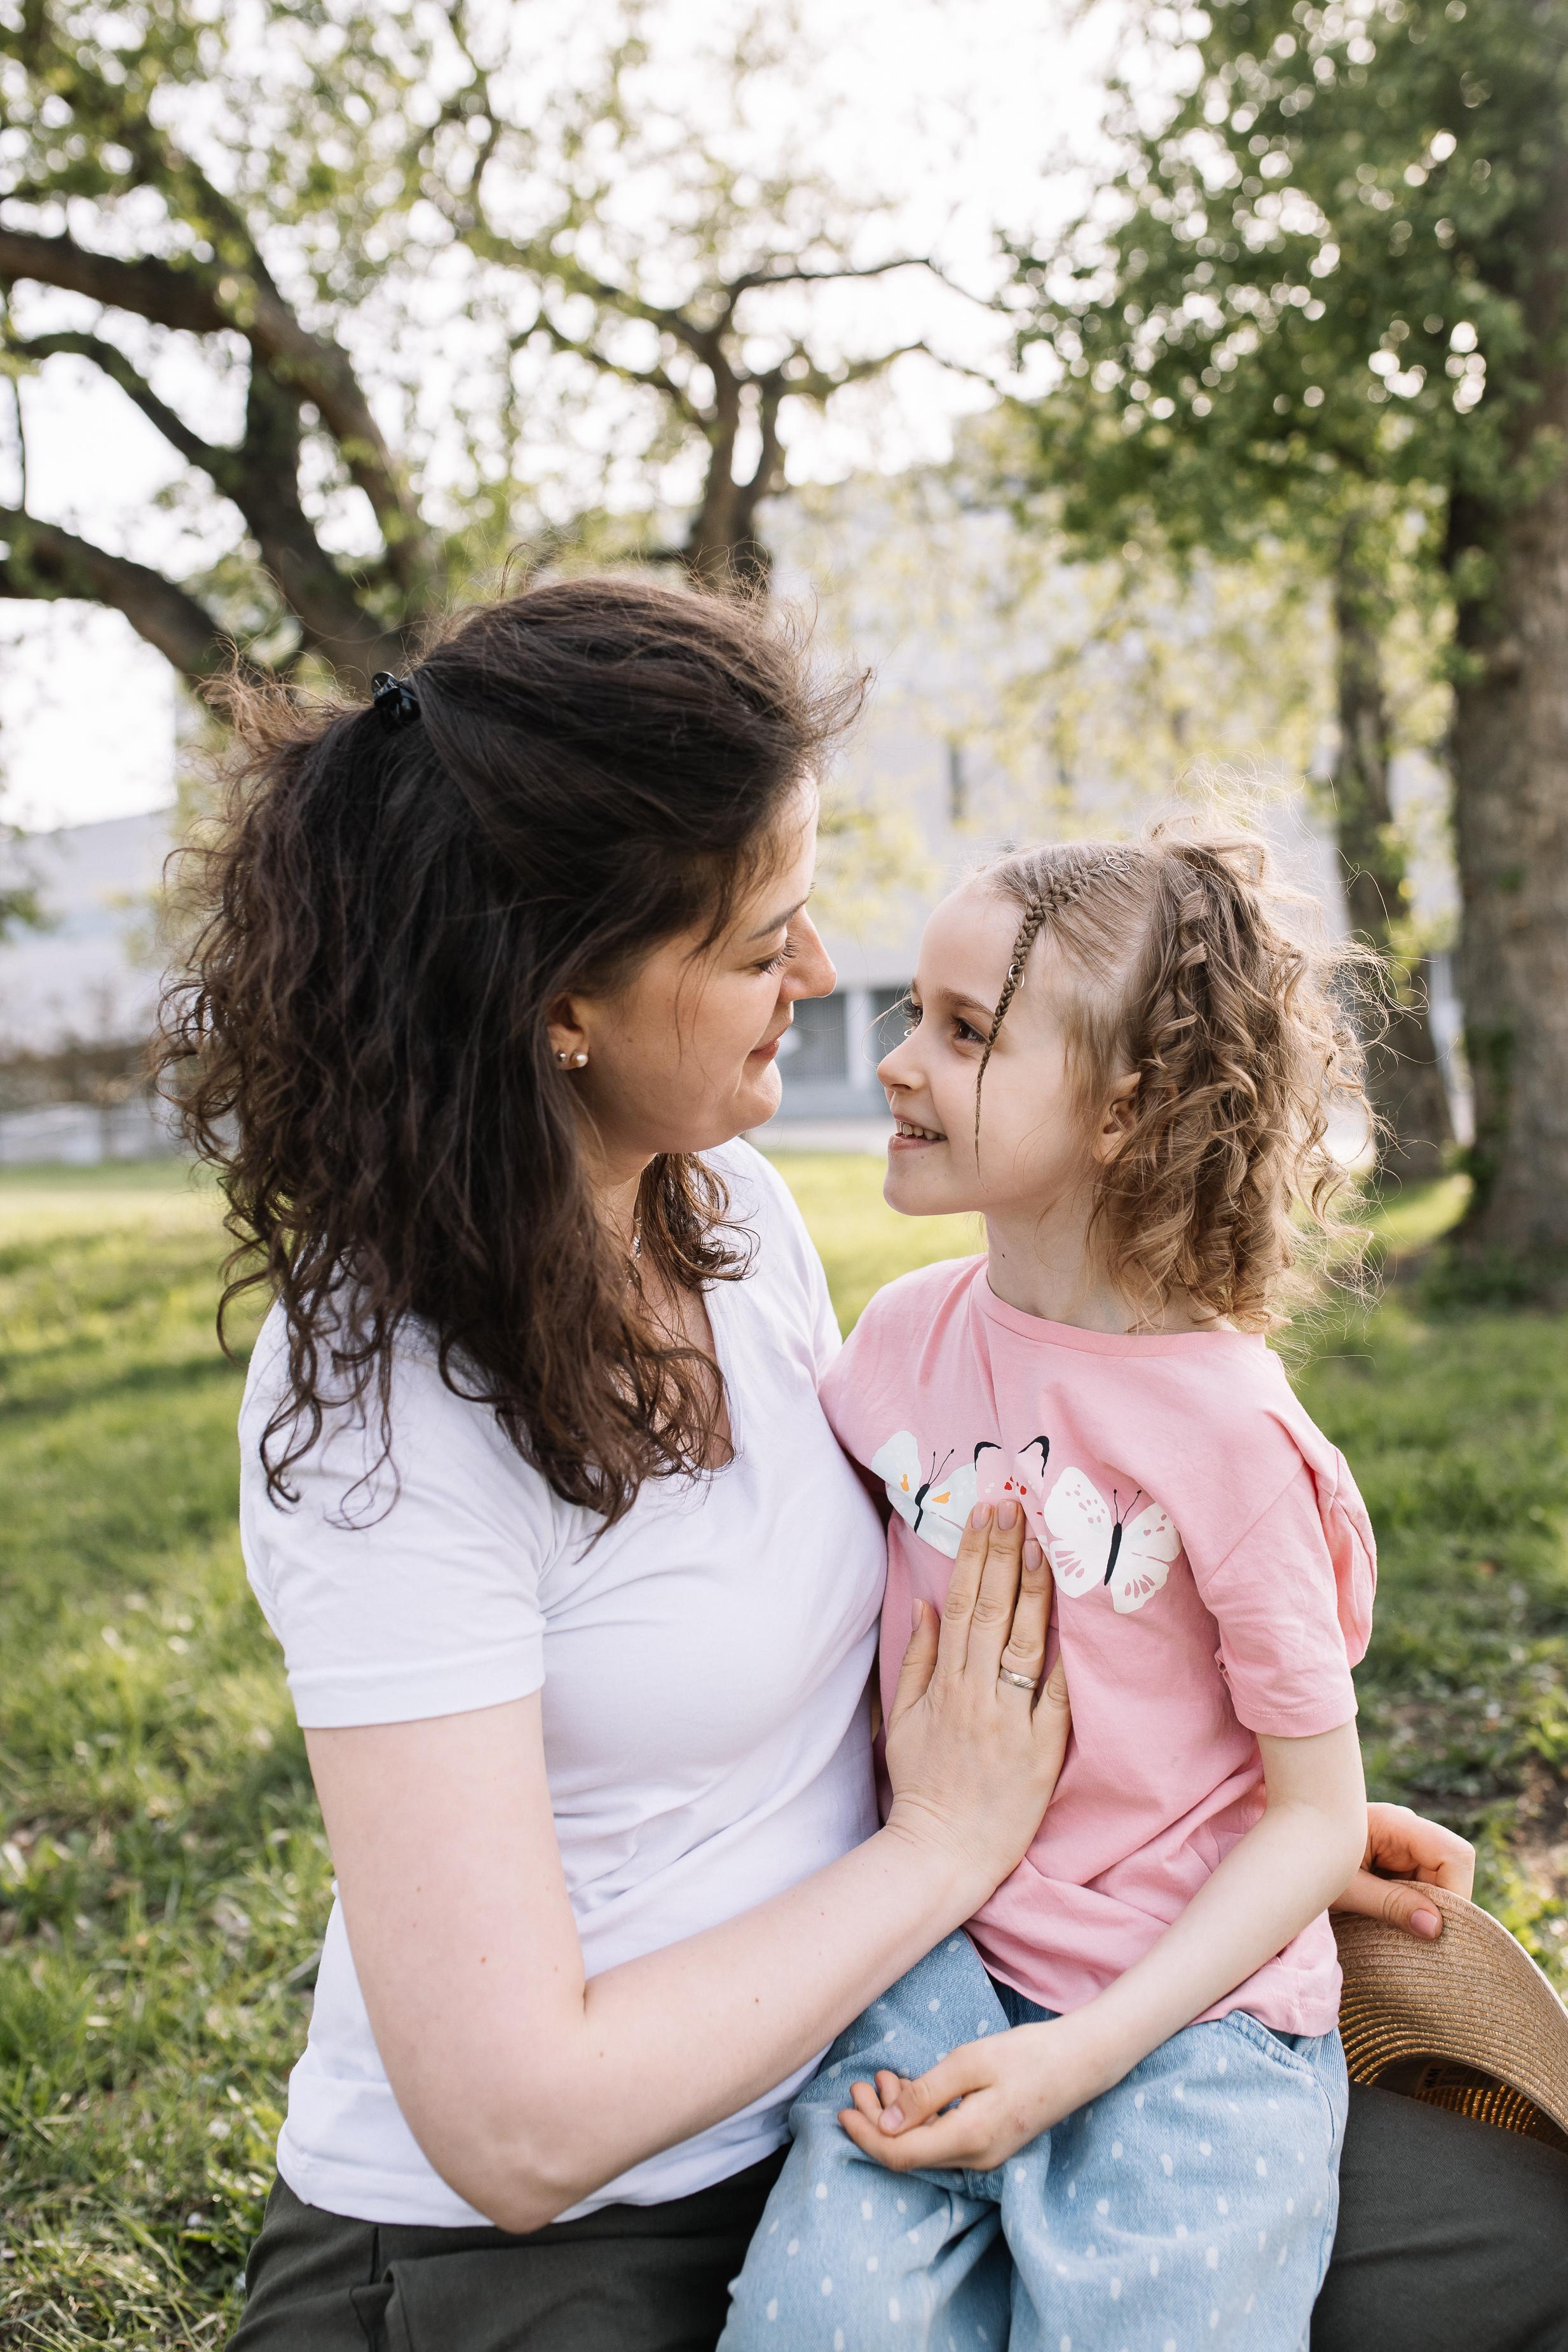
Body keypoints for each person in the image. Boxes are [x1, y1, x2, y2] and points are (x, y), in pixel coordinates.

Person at [157, 578, 1560, 2351]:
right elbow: (513, 2131)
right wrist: (944, 1847)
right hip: (557, 2225)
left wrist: (1190, 1809)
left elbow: (929, 1567)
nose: (823, 978)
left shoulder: (728, 1213)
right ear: (562, 997)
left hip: (910, 2026)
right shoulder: (384, 1403)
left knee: (1521, 2230)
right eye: (762, 943)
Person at [719, 833, 1426, 2348]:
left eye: (966, 1030)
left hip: (1190, 2023)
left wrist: (1082, 2051)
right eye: (915, 1014)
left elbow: (1309, 1812)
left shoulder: (1232, 1437)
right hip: (925, 1971)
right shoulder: (896, 1343)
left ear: (1122, 1109)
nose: (896, 1060)